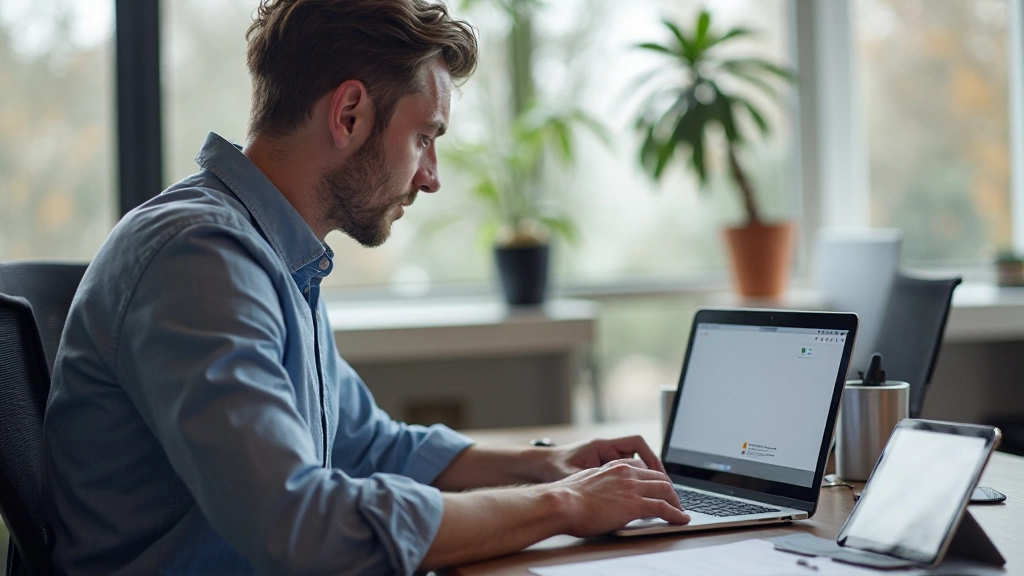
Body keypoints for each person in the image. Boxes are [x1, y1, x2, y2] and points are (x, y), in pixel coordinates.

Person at [43, 1, 689, 574]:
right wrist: (564, 504)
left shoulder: (273, 257)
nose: (431, 176)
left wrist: (546, 463)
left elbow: (368, 443)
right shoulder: (199, 258)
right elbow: (300, 524)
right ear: (349, 112)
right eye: (424, 137)